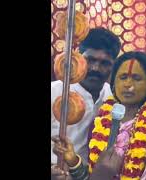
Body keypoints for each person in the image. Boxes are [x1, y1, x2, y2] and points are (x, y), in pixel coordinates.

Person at [52, 51, 146, 179]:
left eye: (137, 78)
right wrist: (73, 161)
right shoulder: (99, 122)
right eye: (123, 77)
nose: (128, 85)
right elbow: (91, 176)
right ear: (113, 81)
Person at [51, 27, 121, 179]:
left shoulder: (115, 99)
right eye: (90, 60)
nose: (95, 68)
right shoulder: (55, 93)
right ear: (78, 57)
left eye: (104, 63)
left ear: (113, 65)